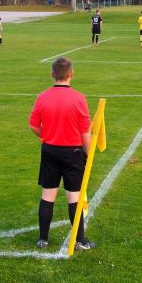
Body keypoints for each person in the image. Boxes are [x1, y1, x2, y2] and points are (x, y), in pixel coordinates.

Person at [29, 57, 95, 250]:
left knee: (48, 194)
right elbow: (85, 132)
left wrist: (47, 135)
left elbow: (33, 125)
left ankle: (43, 239)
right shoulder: (79, 98)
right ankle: (81, 240)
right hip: (73, 153)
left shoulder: (42, 96)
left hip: (49, 150)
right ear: (71, 75)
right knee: (74, 196)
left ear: (52, 75)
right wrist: (89, 154)